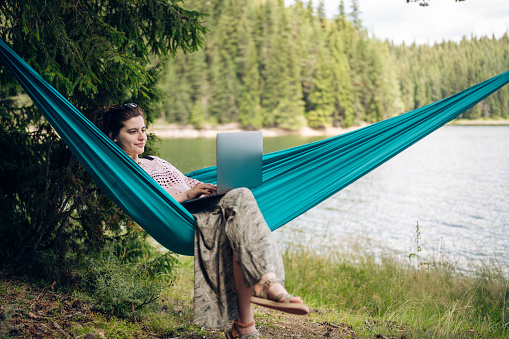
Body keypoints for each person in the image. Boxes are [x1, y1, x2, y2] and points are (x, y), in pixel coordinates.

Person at [97, 103, 308, 338]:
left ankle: (245, 328)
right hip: (186, 218)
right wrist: (188, 195)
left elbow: (188, 183)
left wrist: (209, 189)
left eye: (143, 130)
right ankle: (268, 282)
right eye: (132, 131)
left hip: (208, 205)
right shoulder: (127, 172)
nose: (141, 137)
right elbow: (151, 201)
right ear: (113, 137)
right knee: (242, 197)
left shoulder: (155, 161)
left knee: (240, 216)